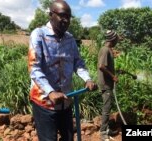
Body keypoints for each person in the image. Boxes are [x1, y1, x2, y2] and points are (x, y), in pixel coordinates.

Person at [27, 0, 96, 141]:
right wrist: (51, 91)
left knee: (68, 138)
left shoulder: (70, 39)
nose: (66, 20)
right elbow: (34, 67)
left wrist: (87, 79)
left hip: (66, 100)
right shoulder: (38, 35)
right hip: (44, 102)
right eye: (62, 15)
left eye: (69, 17)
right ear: (51, 14)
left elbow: (78, 63)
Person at [97, 30, 119, 141]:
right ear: (112, 39)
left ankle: (107, 129)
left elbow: (106, 66)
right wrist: (113, 77)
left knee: (108, 106)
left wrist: (116, 71)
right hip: (106, 84)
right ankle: (103, 133)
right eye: (117, 39)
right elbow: (102, 66)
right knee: (106, 108)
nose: (117, 41)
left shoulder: (108, 49)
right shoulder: (105, 50)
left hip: (107, 83)